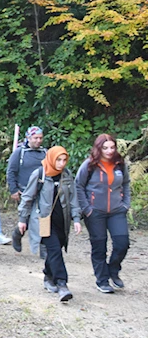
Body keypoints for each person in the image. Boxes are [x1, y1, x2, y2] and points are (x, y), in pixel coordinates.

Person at [18, 146, 81, 301]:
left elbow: (73, 198)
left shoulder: (66, 175)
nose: (61, 163)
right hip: (43, 221)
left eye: (64, 160)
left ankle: (48, 275)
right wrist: (22, 219)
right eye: (58, 159)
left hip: (62, 221)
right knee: (54, 250)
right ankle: (62, 284)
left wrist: (77, 219)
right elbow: (27, 197)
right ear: (52, 158)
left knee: (55, 251)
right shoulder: (40, 174)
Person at [75, 134, 131, 294]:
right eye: (105, 148)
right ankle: (102, 280)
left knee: (122, 244)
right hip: (95, 212)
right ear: (98, 148)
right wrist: (87, 209)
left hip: (117, 211)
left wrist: (125, 204)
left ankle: (113, 270)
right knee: (99, 247)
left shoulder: (120, 164)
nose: (109, 151)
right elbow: (78, 185)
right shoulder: (89, 165)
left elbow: (126, 183)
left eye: (112, 147)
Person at [8, 126, 48, 257]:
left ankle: (44, 248)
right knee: (26, 218)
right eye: (35, 138)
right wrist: (13, 190)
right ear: (28, 138)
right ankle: (17, 234)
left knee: (44, 218)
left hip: (42, 192)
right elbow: (11, 171)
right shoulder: (20, 153)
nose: (38, 141)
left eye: (40, 138)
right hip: (24, 191)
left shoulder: (45, 153)